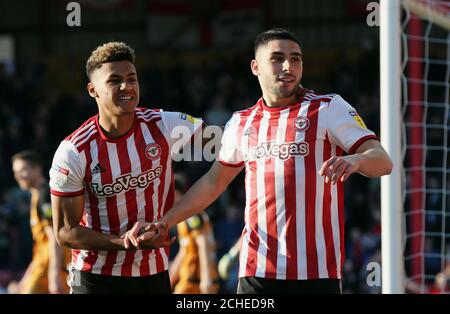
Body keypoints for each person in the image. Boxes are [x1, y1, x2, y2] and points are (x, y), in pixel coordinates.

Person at [125, 28, 393, 294]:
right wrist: (165, 222)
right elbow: (212, 184)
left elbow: (383, 161)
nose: (288, 66)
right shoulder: (242, 122)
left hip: (317, 272)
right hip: (258, 272)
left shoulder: (328, 108)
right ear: (256, 66)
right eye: (277, 58)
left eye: (295, 59)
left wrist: (356, 160)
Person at [49, 42, 202, 293]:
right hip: (95, 276)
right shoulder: (74, 151)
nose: (126, 87)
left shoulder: (164, 125)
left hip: (154, 272)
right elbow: (65, 231)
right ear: (92, 90)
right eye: (114, 80)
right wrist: (122, 243)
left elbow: (225, 143)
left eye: (132, 78)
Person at [8, 150, 70, 294]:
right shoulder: (36, 196)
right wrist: (25, 279)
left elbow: (54, 236)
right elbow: (41, 245)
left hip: (50, 270)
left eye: (23, 170)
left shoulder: (45, 195)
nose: (18, 176)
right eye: (15, 172)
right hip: (42, 267)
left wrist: (54, 274)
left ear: (37, 169)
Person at [169, 174, 219, 294]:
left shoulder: (192, 216)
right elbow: (184, 250)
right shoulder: (181, 218)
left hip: (197, 282)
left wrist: (206, 279)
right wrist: (171, 277)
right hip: (187, 281)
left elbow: (203, 243)